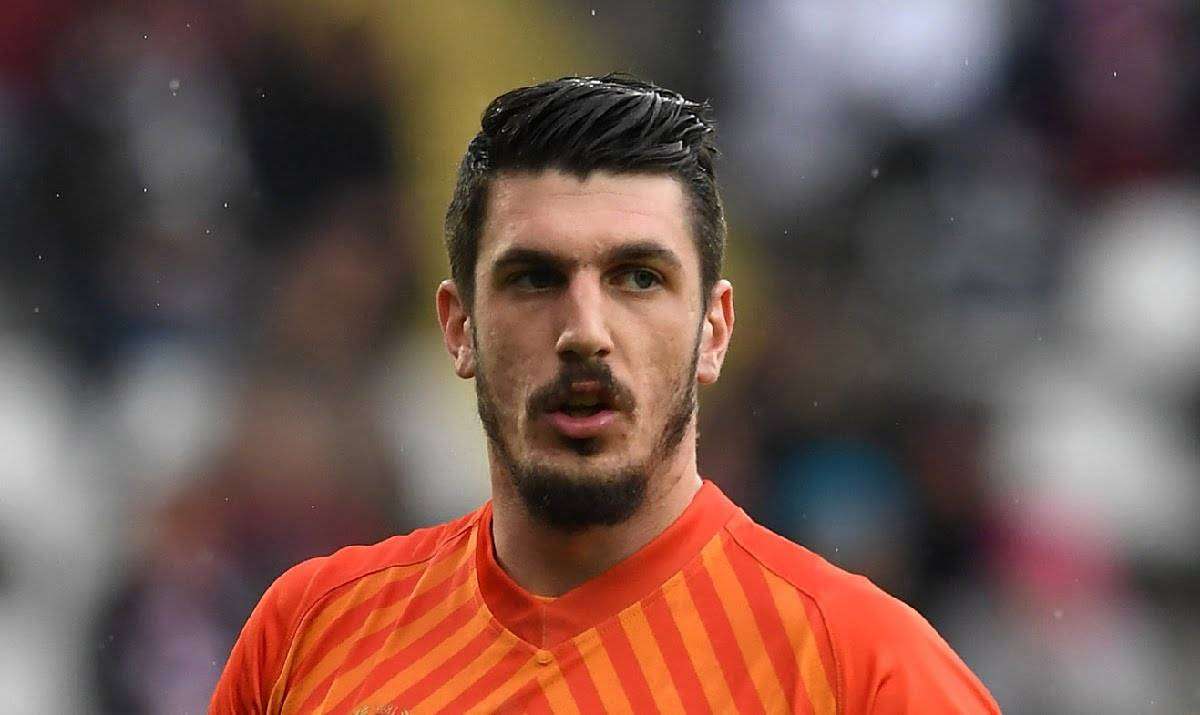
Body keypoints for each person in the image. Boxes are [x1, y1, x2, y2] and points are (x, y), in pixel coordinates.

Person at [210, 74, 1000, 714]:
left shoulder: (866, 672)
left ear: (714, 330)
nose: (584, 330)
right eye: (534, 278)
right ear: (459, 327)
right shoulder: (309, 633)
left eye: (638, 277)